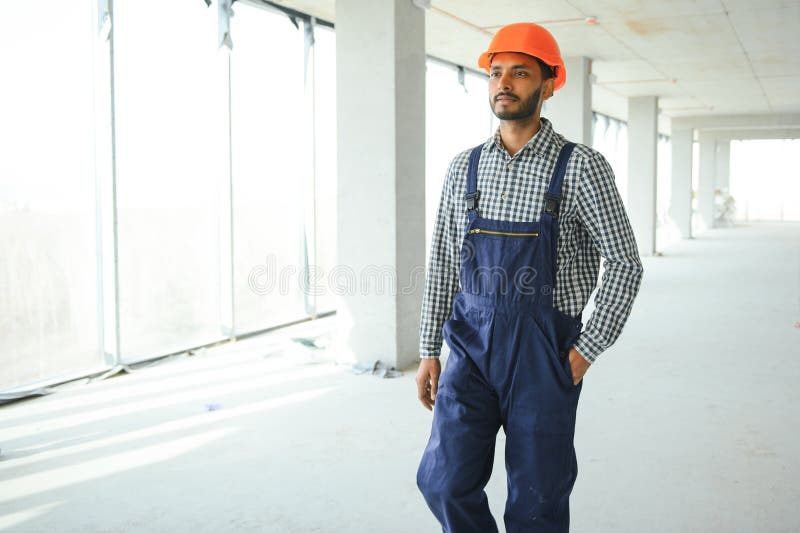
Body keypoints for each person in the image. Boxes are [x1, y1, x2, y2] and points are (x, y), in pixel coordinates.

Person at [415, 22, 644, 533]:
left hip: (544, 350)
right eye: (496, 73)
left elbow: (625, 262)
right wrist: (430, 347)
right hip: (470, 346)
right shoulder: (464, 168)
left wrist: (586, 349)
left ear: (548, 83)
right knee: (443, 481)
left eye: (520, 73)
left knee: (537, 498)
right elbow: (444, 264)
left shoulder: (581, 167)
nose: (504, 83)